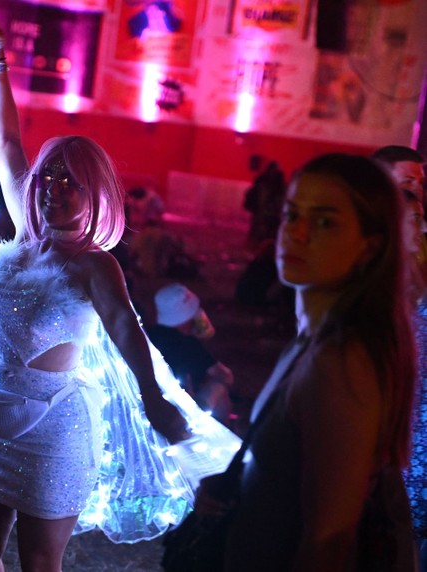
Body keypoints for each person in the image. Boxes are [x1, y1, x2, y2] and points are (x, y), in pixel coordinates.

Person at [0, 21, 240, 572]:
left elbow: (125, 330)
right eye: (48, 179)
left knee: (39, 565)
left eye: (70, 182)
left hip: (56, 432)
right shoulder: (27, 232)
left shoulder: (95, 265)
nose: (52, 190)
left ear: (93, 193)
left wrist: (153, 398)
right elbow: (4, 142)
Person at [213, 154, 416, 570]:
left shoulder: (340, 364)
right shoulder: (313, 338)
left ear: (370, 246)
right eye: (292, 214)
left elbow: (329, 538)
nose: (297, 234)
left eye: (324, 222)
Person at [374, 145, 427, 569]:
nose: (419, 199)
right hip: (394, 423)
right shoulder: (362, 262)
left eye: (421, 189)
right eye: (407, 187)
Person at [146, 283, 234, 425]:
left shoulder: (150, 335)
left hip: (151, 402)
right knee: (221, 389)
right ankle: (200, 418)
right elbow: (223, 374)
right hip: (177, 410)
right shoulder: (187, 344)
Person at [243, 160, 286, 249]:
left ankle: (258, 242)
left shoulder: (263, 179)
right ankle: (260, 242)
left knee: (262, 225)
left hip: (264, 207)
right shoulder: (276, 180)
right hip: (265, 207)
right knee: (263, 225)